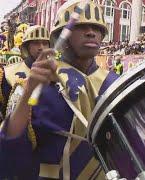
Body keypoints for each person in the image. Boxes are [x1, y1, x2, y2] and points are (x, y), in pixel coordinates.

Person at [0, 0, 118, 179]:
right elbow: (8, 153)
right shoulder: (35, 81)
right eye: (81, 27)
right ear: (62, 35)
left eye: (97, 27)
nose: (91, 32)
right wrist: (27, 95)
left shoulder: (114, 83)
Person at [0, 25, 50, 116]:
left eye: (45, 43)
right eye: (36, 43)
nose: (41, 47)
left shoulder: (57, 72)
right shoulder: (8, 73)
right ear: (27, 46)